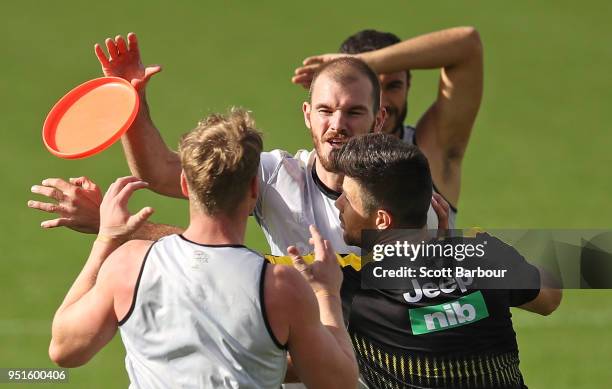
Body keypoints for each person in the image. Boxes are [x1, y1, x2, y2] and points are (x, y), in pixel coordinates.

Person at [28, 32, 449, 256]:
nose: (336, 125)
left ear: (378, 119)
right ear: (307, 116)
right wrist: (132, 102)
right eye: (325, 110)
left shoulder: (404, 198)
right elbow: (159, 172)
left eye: (354, 113)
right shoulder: (275, 175)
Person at [48, 109, 359, 389]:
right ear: (254, 188)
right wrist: (326, 293)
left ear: (185, 184)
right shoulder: (280, 287)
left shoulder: (128, 265)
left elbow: (64, 349)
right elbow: (338, 383)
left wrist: (106, 240)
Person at [328, 133, 562, 389]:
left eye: (347, 198)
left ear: (382, 220)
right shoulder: (483, 256)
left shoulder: (350, 282)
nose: (339, 204)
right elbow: (550, 296)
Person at [292, 27, 484, 228]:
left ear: (408, 86)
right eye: (371, 87)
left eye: (393, 86)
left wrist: (362, 63)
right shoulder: (299, 172)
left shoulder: (432, 151)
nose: (381, 101)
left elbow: (468, 45)